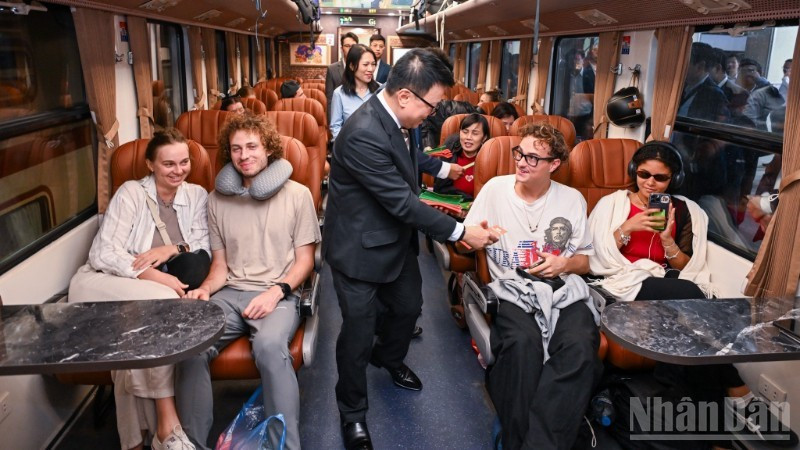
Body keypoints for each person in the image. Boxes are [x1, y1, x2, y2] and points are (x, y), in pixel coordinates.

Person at [323, 48, 499, 450]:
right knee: (357, 335)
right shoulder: (362, 131)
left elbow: (408, 157)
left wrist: (442, 167)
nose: (432, 114)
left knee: (407, 308)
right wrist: (462, 232)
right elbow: (402, 203)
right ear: (405, 95)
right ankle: (353, 413)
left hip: (396, 241)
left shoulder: (403, 118)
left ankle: (387, 357)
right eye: (431, 106)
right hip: (359, 250)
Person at [587, 141, 798, 446]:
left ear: (673, 179)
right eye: (644, 174)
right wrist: (628, 227)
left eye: (660, 177)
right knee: (692, 300)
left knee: (691, 321)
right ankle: (741, 397)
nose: (650, 183)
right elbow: (596, 256)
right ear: (634, 172)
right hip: (619, 281)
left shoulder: (686, 211)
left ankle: (712, 428)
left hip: (664, 282)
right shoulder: (612, 205)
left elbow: (686, 265)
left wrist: (667, 240)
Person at [176, 114, 320, 450]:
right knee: (191, 346)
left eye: (252, 147)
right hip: (230, 293)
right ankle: (192, 444)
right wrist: (204, 290)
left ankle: (285, 446)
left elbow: (305, 261)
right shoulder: (216, 200)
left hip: (278, 293)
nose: (244, 155)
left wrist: (276, 292)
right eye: (236, 149)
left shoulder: (297, 195)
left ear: (268, 149)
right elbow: (220, 266)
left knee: (269, 347)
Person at [68, 129, 209, 450]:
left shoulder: (197, 195)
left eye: (184, 162)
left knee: (130, 346)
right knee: (165, 302)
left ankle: (134, 442)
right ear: (150, 165)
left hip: (140, 296)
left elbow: (202, 244)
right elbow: (103, 253)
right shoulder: (131, 192)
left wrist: (173, 248)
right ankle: (168, 424)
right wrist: (152, 276)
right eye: (168, 164)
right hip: (104, 283)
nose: (178, 170)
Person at [462, 121, 599, 449]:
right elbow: (463, 243)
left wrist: (564, 264)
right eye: (519, 153)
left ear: (554, 164)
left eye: (533, 158)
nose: (521, 162)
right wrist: (476, 239)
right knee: (524, 346)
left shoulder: (572, 199)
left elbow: (586, 261)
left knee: (581, 345)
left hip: (562, 288)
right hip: (513, 289)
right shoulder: (495, 189)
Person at [434, 113, 490, 200]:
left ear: (484, 138)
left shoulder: (490, 159)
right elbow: (439, 188)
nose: (468, 137)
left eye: (475, 133)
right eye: (465, 132)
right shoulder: (449, 149)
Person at [330, 44, 379, 140]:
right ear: (352, 66)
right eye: (365, 64)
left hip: (377, 146)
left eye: (373, 64)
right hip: (350, 145)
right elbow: (336, 127)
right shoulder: (339, 94)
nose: (371, 69)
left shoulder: (381, 91)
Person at [678, 42, 729, 122]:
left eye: (684, 63)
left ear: (700, 66)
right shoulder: (682, 87)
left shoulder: (714, 96)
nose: (678, 67)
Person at [326, 32, 359, 121]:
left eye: (353, 46)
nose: (350, 49)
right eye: (347, 46)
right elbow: (330, 99)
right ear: (342, 48)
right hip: (339, 117)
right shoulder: (332, 69)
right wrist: (330, 123)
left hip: (358, 117)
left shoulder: (362, 67)